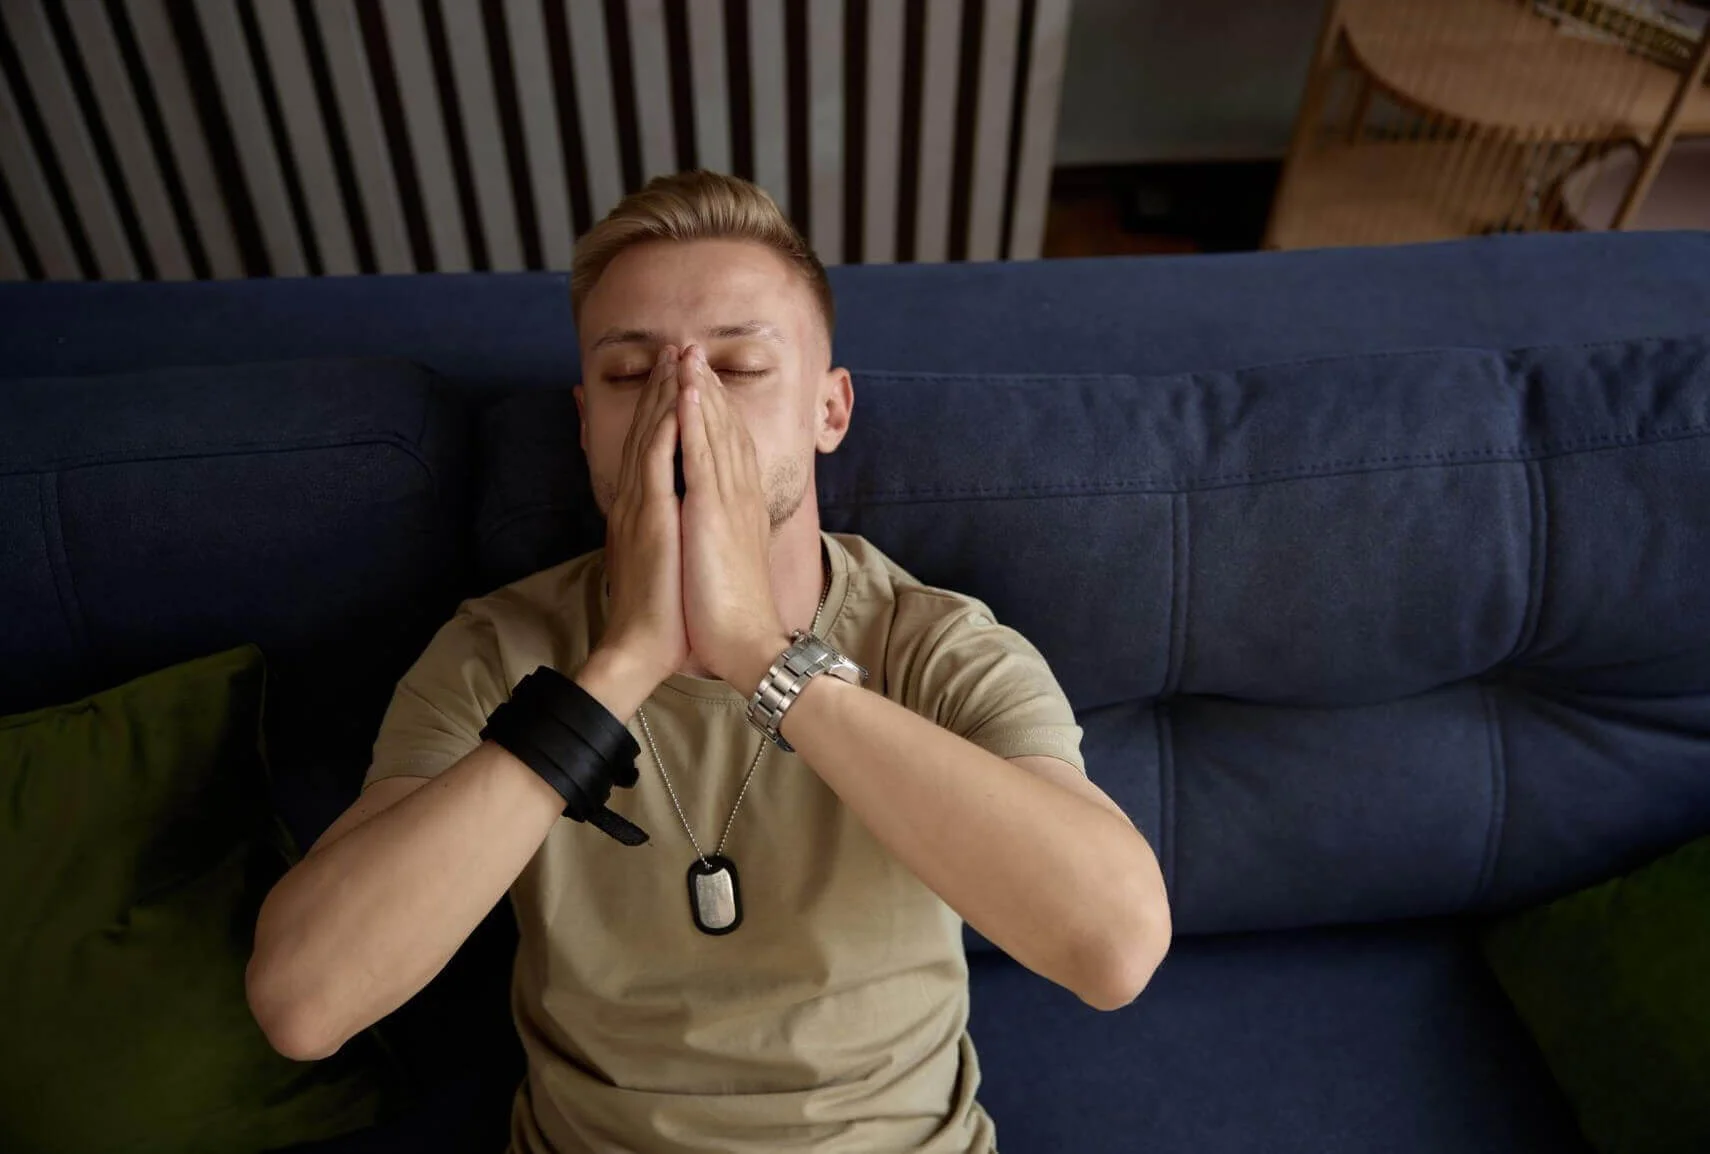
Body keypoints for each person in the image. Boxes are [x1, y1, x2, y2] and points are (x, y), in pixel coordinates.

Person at [245, 170, 1171, 1154]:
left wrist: (756, 654)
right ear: (585, 420)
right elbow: (305, 1003)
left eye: (737, 366)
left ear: (830, 408)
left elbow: (1111, 948)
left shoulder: (936, 643)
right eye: (630, 374)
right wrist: (626, 660)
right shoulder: (497, 649)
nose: (684, 407)